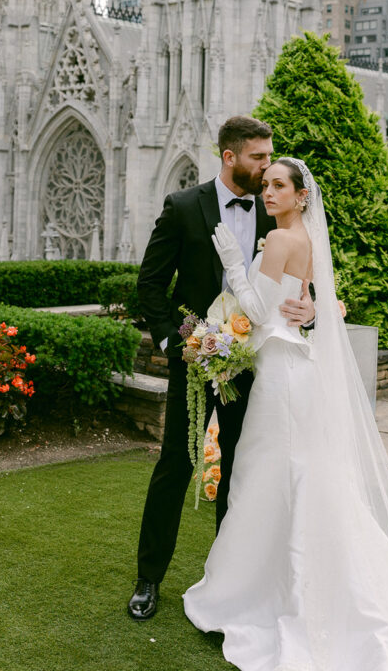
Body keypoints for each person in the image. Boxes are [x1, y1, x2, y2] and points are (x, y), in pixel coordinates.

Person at [184, 157, 388, 670]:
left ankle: (271, 590)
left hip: (283, 380)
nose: (268, 193)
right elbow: (313, 303)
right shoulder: (307, 240)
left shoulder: (277, 241)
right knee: (292, 477)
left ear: (300, 197)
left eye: (278, 187)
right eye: (265, 185)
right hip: (296, 369)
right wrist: (309, 310)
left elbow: (254, 311)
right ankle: (296, 576)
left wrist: (230, 260)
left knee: (273, 474)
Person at [127, 117, 316, 621]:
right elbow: (150, 285)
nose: (267, 165)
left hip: (255, 369)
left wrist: (310, 308)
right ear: (230, 157)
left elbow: (297, 287)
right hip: (193, 363)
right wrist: (177, 342)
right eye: (258, 157)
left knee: (240, 471)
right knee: (175, 466)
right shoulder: (184, 207)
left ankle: (227, 582)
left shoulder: (274, 215)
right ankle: (149, 579)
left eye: (270, 157)